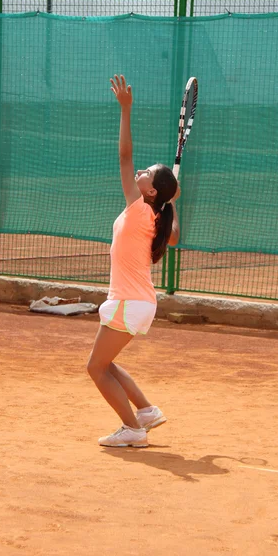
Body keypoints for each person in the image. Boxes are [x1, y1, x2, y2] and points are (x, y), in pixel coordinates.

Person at [87, 74, 180, 448]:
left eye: (147, 174)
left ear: (150, 191)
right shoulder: (159, 217)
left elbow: (124, 157)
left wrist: (125, 110)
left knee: (95, 368)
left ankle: (133, 430)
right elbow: (175, 235)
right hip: (137, 302)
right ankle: (145, 410)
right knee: (104, 363)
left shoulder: (142, 209)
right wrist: (173, 200)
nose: (139, 171)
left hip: (130, 302)